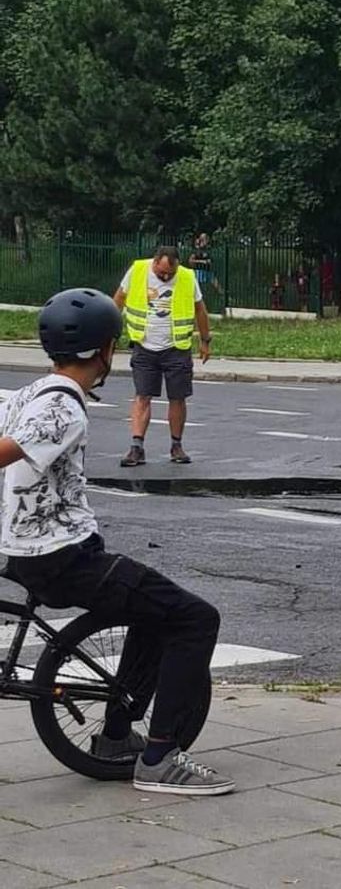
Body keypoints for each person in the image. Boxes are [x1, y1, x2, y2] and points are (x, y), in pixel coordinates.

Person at [0, 288, 232, 795]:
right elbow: (6, 451)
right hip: (62, 558)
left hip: (33, 552)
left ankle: (114, 737)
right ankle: (161, 758)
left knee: (155, 611)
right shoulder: (63, 410)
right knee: (196, 619)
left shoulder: (32, 393)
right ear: (106, 350)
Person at [114, 246, 211, 467]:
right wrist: (109, 334)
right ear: (155, 262)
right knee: (142, 396)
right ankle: (136, 448)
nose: (166, 277)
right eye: (162, 273)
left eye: (171, 273)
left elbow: (200, 309)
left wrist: (205, 340)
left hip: (176, 348)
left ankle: (176, 446)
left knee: (177, 397)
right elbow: (118, 301)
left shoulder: (187, 276)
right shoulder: (138, 270)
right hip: (144, 345)